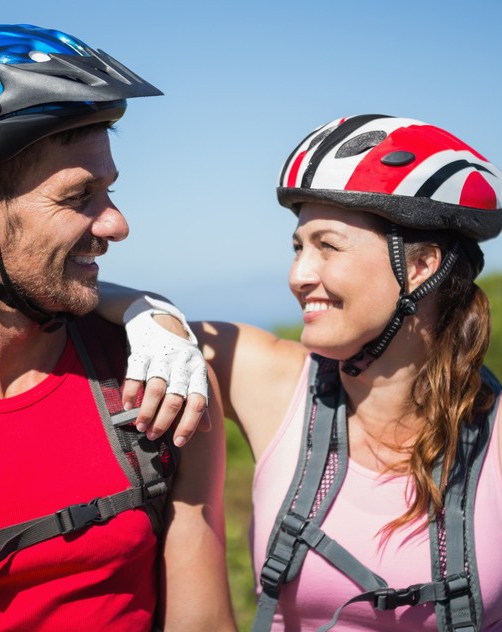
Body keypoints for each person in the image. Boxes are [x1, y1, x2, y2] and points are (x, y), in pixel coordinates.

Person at [0, 24, 236, 631]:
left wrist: (152, 309)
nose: (116, 224)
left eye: (110, 190)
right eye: (79, 197)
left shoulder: (153, 386)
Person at [104, 114, 502, 631]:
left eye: (327, 246)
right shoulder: (272, 380)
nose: (298, 275)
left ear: (422, 265)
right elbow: (84, 301)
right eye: (298, 247)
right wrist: (151, 315)